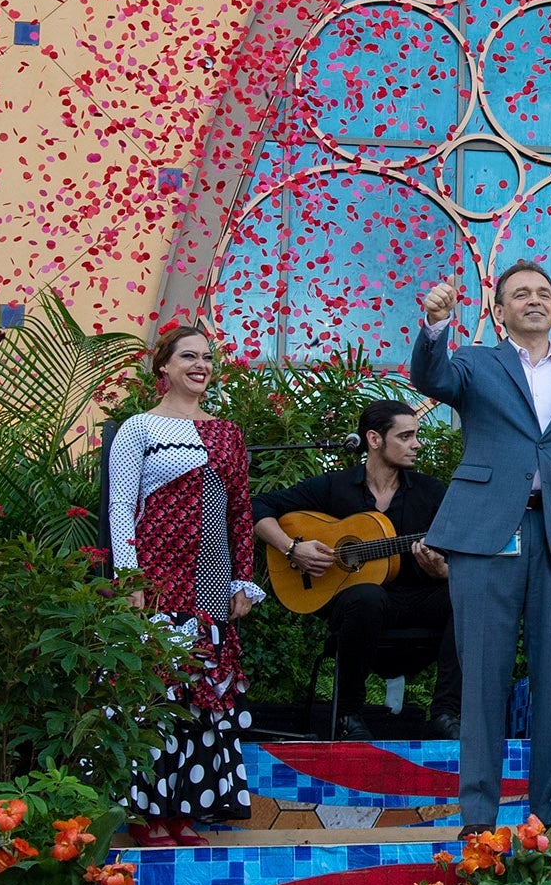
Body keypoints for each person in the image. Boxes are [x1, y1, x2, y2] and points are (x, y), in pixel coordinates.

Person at [411, 261, 551, 836]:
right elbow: (432, 378)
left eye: (543, 293)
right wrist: (434, 324)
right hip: (484, 535)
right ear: (499, 311)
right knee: (482, 679)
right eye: (520, 294)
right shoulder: (474, 361)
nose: (534, 300)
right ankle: (478, 818)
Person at [108, 326, 261, 843]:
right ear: (163, 367)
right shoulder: (139, 429)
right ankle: (151, 813)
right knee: (160, 692)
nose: (201, 364)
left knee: (204, 697)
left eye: (207, 357)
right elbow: (121, 508)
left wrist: (242, 578)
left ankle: (187, 809)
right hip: (158, 576)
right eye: (189, 356)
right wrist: (129, 577)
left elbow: (241, 512)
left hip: (212, 578)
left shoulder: (227, 433)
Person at [250, 400, 456, 740]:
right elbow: (258, 505)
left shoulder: (431, 492)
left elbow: (460, 548)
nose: (416, 444)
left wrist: (443, 572)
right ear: (374, 439)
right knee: (367, 595)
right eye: (405, 436)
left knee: (464, 594)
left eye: (416, 436)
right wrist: (292, 548)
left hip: (415, 603)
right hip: (355, 609)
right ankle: (347, 714)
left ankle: (447, 714)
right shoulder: (335, 486)